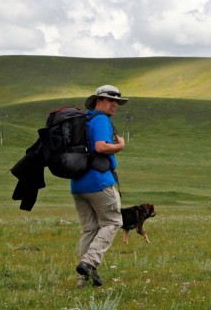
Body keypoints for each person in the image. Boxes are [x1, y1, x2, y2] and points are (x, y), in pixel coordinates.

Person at [73, 84, 128, 287]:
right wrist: (120, 146)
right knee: (113, 222)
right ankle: (89, 262)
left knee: (89, 229)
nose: (115, 105)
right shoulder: (101, 119)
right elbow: (101, 147)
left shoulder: (83, 120)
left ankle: (83, 281)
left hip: (78, 182)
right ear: (99, 100)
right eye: (110, 100)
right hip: (99, 181)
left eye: (117, 102)